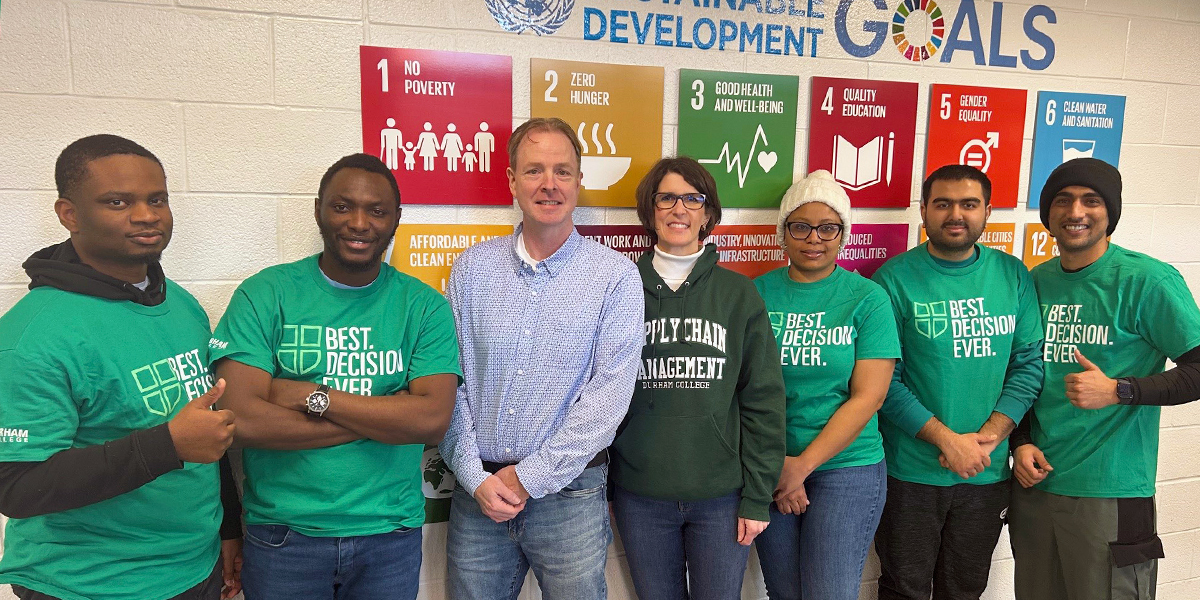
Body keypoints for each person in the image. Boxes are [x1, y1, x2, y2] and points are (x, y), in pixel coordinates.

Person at [209, 153, 461, 599]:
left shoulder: (424, 307)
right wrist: (386, 417)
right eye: (343, 207)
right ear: (319, 211)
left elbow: (431, 422)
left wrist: (312, 396)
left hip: (391, 535)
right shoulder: (266, 294)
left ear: (396, 220)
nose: (359, 223)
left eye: (377, 211)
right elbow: (238, 421)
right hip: (284, 535)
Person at [0, 134, 241, 600]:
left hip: (196, 569)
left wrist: (228, 526)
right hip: (87, 585)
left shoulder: (183, 306)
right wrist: (167, 444)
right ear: (69, 214)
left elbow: (208, 435)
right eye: (117, 201)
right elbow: (17, 487)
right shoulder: (33, 335)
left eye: (158, 199)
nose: (147, 215)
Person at [438, 117, 643, 600]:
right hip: (478, 494)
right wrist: (473, 476)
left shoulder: (614, 277)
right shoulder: (472, 269)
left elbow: (607, 399)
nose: (549, 184)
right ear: (512, 180)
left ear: (578, 180)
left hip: (570, 497)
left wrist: (528, 478)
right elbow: (450, 382)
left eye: (562, 171)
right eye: (534, 171)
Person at [1008, 158, 1200, 600]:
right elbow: (1022, 376)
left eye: (1091, 200)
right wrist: (1019, 443)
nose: (1076, 211)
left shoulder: (1147, 280)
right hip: (1036, 487)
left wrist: (1120, 390)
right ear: (1048, 216)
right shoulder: (1034, 282)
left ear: (1110, 212)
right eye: (1063, 200)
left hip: (1111, 492)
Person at [608, 156, 785, 599]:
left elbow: (762, 398)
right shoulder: (620, 286)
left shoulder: (738, 293)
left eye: (692, 198)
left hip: (721, 497)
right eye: (666, 197)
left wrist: (757, 496)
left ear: (708, 213)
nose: (679, 209)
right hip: (640, 493)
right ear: (650, 210)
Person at [871, 164, 1044, 600]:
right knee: (902, 588)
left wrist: (986, 439)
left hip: (984, 474)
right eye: (943, 203)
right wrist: (948, 441)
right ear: (924, 210)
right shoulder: (892, 279)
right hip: (909, 473)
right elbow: (884, 381)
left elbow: (1028, 365)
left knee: (965, 589)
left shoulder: (1013, 274)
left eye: (969, 204)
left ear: (987, 211)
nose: (956, 214)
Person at [753, 170, 899, 600]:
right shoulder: (756, 294)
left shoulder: (867, 298)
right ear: (783, 233)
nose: (814, 238)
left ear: (843, 234)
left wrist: (802, 465)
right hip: (770, 464)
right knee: (784, 592)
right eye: (801, 226)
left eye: (827, 227)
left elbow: (869, 396)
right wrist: (780, 463)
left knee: (826, 593)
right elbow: (745, 391)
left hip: (847, 468)